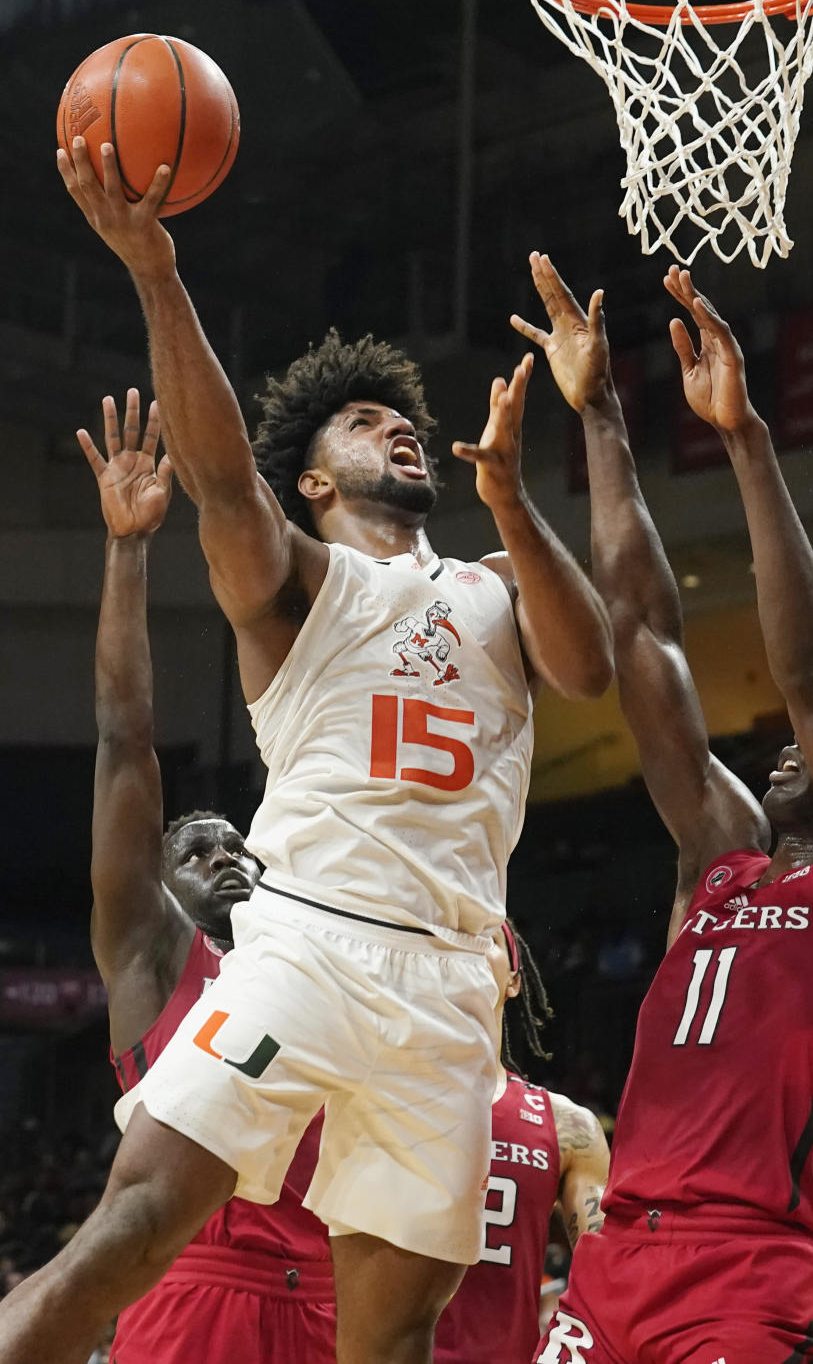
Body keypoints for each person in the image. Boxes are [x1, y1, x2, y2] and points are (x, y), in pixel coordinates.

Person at [0, 141, 613, 1364]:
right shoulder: (297, 584)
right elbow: (225, 481)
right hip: (310, 949)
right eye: (366, 419)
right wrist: (157, 271)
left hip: (451, 995)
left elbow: (592, 666)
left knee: (390, 1341)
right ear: (316, 476)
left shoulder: (499, 578)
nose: (401, 428)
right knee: (130, 1226)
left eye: (408, 420)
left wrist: (514, 498)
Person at [509, 255, 813, 1363]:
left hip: (746, 1272)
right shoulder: (721, 854)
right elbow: (644, 631)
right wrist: (604, 418)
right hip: (614, 1263)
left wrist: (749, 439)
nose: (794, 750)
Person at [76, 389, 335, 1362]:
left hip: (330, 1304)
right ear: (159, 883)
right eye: (196, 851)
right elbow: (123, 738)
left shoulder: (316, 960)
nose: (227, 856)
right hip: (195, 1299)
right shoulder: (150, 955)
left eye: (239, 846)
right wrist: (129, 549)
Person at [434, 921, 609, 1364]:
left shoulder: (569, 1126)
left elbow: (608, 1273)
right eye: (452, 936)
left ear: (514, 980)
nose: (468, 948)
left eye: (485, 938)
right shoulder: (366, 1094)